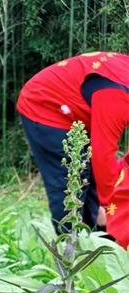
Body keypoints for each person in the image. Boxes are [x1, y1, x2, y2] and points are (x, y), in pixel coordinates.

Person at [17, 51, 129, 239]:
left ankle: (94, 246)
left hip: (78, 112)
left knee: (92, 184)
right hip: (45, 106)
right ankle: (69, 256)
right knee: (71, 187)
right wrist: (109, 207)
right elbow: (103, 153)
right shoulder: (117, 94)